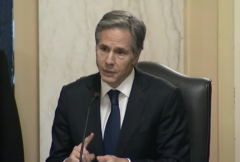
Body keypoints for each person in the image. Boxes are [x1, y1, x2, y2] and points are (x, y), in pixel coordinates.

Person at [46, 10, 189, 162]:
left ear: (136, 56)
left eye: (120, 52)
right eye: (104, 49)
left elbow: (176, 159)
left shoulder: (164, 98)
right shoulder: (71, 96)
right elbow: (55, 158)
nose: (108, 60)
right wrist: (68, 161)